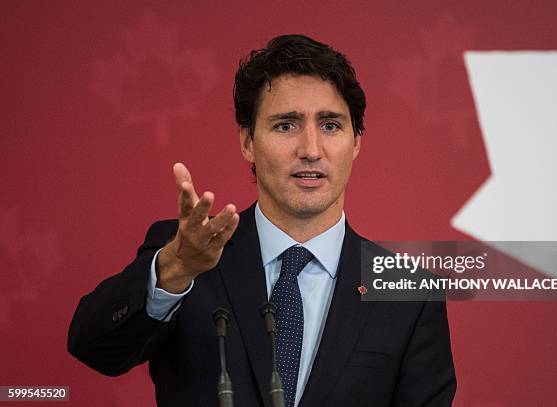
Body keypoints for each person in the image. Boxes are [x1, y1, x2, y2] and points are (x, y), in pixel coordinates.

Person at [68, 34, 456, 407]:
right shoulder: (187, 254)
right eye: (285, 125)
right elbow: (95, 349)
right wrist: (173, 271)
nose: (310, 149)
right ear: (247, 142)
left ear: (355, 142)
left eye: (331, 125)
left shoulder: (410, 293)